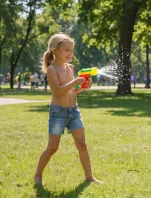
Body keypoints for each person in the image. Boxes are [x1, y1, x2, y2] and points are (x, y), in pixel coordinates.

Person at [34, 33, 101, 184]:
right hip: (58, 113)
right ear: (55, 50)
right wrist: (75, 82)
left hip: (74, 111)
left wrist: (82, 87)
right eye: (67, 50)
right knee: (52, 148)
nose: (70, 54)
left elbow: (71, 91)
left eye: (71, 50)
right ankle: (37, 175)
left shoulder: (70, 68)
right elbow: (57, 91)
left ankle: (89, 177)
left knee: (82, 144)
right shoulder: (52, 69)